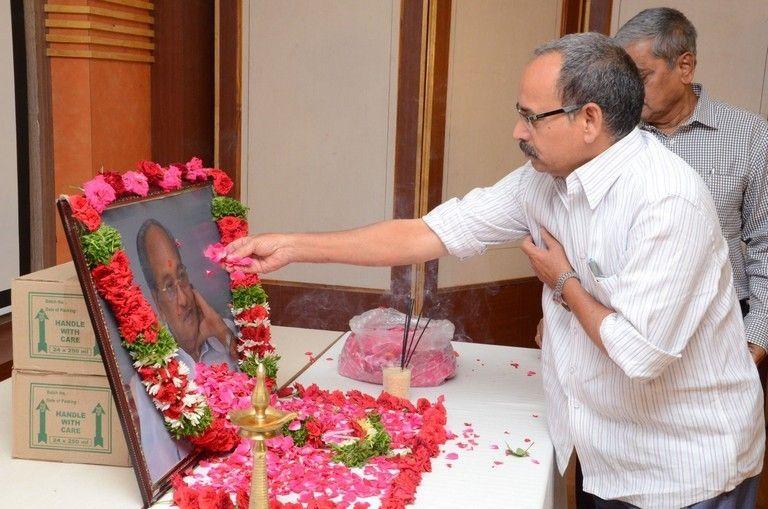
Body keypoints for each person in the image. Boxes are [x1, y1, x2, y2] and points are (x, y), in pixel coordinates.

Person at [227, 33, 765, 507]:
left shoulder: (666, 199)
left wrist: (563, 282)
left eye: (532, 116)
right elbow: (427, 232)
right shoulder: (543, 179)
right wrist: (293, 246)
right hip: (607, 449)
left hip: (685, 464)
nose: (517, 130)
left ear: (591, 120)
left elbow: (641, 353)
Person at [615, 7, 768, 365]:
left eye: (641, 76)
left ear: (684, 67)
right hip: (629, 325)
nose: (630, 91)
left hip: (721, 329)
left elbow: (766, 241)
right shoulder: (614, 136)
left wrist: (757, 335)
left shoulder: (748, 136)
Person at [131, 219, 238, 480]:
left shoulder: (225, 333)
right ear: (156, 300)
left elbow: (265, 395)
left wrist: (224, 336)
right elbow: (165, 475)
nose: (183, 299)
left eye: (181, 277)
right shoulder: (150, 381)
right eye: (168, 286)